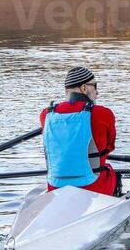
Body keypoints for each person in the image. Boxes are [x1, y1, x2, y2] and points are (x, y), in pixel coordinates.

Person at [40, 66, 121, 196]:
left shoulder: (46, 114)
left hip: (55, 187)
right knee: (109, 170)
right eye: (95, 86)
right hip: (94, 186)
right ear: (84, 88)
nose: (97, 92)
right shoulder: (103, 113)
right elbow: (109, 147)